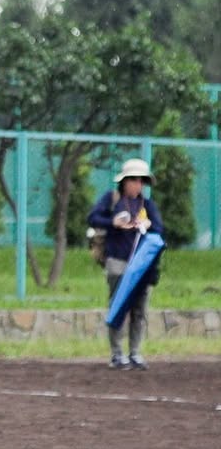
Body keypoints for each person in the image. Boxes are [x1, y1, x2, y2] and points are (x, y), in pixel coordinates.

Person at [87, 157, 163, 371]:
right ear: (124, 181)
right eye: (134, 180)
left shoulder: (147, 205)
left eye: (142, 181)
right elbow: (93, 218)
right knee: (118, 306)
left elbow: (159, 229)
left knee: (139, 310)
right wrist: (113, 223)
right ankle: (117, 354)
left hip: (141, 265)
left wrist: (147, 224)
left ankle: (135, 353)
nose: (138, 185)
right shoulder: (112, 199)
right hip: (117, 261)